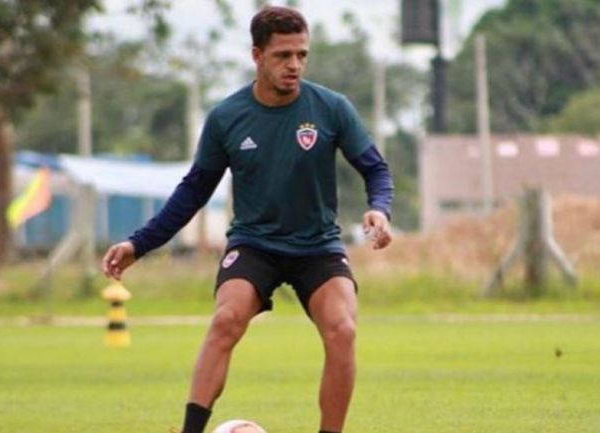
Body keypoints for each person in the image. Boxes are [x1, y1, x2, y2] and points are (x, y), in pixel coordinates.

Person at [101, 5, 393, 433]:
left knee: (343, 330)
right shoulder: (226, 117)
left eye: (301, 55)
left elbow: (375, 169)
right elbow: (193, 191)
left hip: (317, 245)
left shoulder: (332, 108)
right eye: (282, 55)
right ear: (257, 56)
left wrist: (379, 208)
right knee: (226, 320)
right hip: (254, 244)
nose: (294, 65)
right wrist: (138, 244)